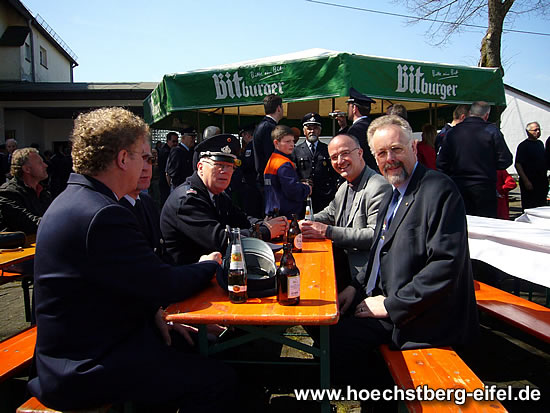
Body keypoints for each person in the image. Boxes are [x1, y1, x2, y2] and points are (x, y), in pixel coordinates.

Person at [28, 107, 235, 412]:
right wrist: (209, 265)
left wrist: (154, 313)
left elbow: (122, 282)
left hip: (84, 352)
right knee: (218, 380)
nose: (145, 166)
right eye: (142, 156)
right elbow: (162, 283)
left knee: (197, 349)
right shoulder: (102, 213)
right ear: (124, 159)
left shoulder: (77, 200)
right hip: (86, 368)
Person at [331, 115, 478, 384]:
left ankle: (377, 395)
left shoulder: (438, 189)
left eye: (396, 149)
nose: (390, 159)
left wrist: (390, 305)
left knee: (336, 341)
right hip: (387, 302)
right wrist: (355, 286)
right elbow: (379, 252)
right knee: (326, 325)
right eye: (382, 153)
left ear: (413, 147)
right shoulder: (392, 192)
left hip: (419, 317)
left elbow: (445, 265)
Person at [161, 133, 289, 265]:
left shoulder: (216, 194)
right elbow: (220, 240)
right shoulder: (187, 200)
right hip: (188, 273)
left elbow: (242, 219)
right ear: (200, 167)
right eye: (219, 165)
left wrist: (267, 224)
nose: (225, 171)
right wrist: (265, 231)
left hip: (213, 268)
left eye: (230, 166)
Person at [299, 134, 391, 290]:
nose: (340, 161)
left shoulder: (378, 186)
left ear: (360, 153)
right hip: (339, 266)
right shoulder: (345, 186)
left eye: (345, 153)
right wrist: (303, 223)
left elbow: (375, 236)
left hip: (363, 277)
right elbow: (329, 213)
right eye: (334, 157)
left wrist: (327, 231)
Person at [437, 101, 513, 218]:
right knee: (485, 224)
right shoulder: (492, 131)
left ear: (469, 113)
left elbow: (441, 163)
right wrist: (490, 165)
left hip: (459, 185)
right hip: (484, 186)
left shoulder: (452, 132)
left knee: (461, 222)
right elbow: (506, 160)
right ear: (486, 115)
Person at [119, 142, 163, 255]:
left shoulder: (147, 202)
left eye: (150, 160)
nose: (146, 168)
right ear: (121, 161)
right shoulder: (111, 209)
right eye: (139, 160)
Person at [293, 112, 340, 213]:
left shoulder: (327, 149)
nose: (312, 131)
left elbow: (334, 172)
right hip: (304, 198)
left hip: (324, 197)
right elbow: (293, 173)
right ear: (304, 131)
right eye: (309, 128)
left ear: (320, 131)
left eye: (315, 128)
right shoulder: (296, 151)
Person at [0, 147, 51, 234]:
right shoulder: (8, 193)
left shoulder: (44, 192)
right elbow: (27, 223)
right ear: (27, 169)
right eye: (40, 163)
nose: (45, 165)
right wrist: (59, 222)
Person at [264, 125, 311, 217]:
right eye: (287, 141)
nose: (292, 144)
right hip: (286, 216)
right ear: (276, 143)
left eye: (293, 141)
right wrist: (307, 188)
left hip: (274, 212)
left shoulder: (272, 160)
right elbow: (292, 191)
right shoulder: (284, 164)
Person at [515, 121, 548, 210]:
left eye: (539, 129)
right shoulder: (523, 146)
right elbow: (518, 164)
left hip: (541, 180)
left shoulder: (540, 144)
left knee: (541, 205)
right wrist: (526, 181)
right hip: (530, 180)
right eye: (535, 130)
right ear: (528, 132)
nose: (538, 132)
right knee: (530, 206)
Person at [253, 94, 284, 187]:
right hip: (269, 178)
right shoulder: (269, 127)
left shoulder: (263, 125)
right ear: (278, 108)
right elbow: (271, 154)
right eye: (282, 107)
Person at [346, 88, 378, 172]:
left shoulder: (355, 130)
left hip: (362, 173)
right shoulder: (374, 126)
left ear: (354, 108)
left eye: (349, 106)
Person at [158, 131, 178, 205]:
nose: (175, 143)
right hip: (165, 181)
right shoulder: (166, 152)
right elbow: (167, 170)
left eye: (177, 141)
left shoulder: (169, 150)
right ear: (168, 141)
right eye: (173, 141)